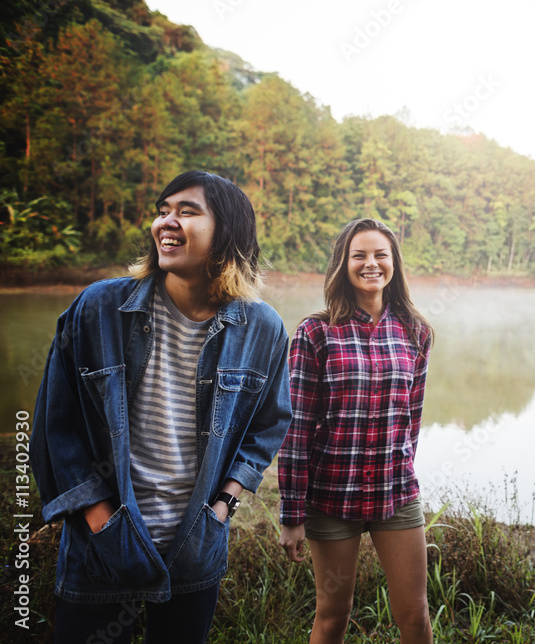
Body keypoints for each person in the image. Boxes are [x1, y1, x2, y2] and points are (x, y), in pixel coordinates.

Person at [29, 171, 292, 643]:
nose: (166, 222)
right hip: (100, 549)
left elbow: (269, 425)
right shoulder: (98, 308)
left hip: (194, 547)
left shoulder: (262, 328)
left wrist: (223, 505)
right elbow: (55, 427)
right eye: (163, 209)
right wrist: (101, 518)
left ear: (227, 232)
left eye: (187, 212)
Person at [277, 218, 434, 644]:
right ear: (342, 264)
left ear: (394, 264)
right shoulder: (315, 332)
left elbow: (411, 423)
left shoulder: (416, 332)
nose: (371, 264)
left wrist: (403, 471)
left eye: (380, 255)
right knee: (332, 616)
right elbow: (296, 429)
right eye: (359, 255)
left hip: (395, 495)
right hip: (330, 496)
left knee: (415, 616)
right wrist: (292, 513)